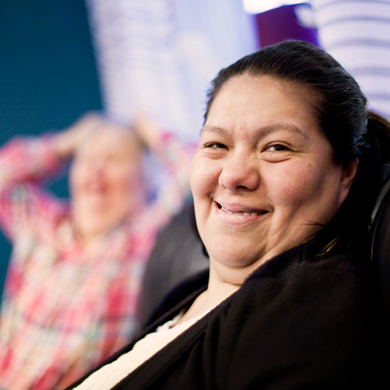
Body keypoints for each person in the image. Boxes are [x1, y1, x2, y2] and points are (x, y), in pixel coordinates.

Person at [67, 40, 390, 389]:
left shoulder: (310, 308)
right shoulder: (188, 295)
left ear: (344, 173)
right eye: (216, 145)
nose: (233, 175)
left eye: (276, 147)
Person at [0, 112, 193, 389]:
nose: (96, 169)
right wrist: (66, 142)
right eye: (87, 158)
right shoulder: (41, 227)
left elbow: (196, 172)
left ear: (144, 184)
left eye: (114, 159)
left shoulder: (141, 238)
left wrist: (149, 130)